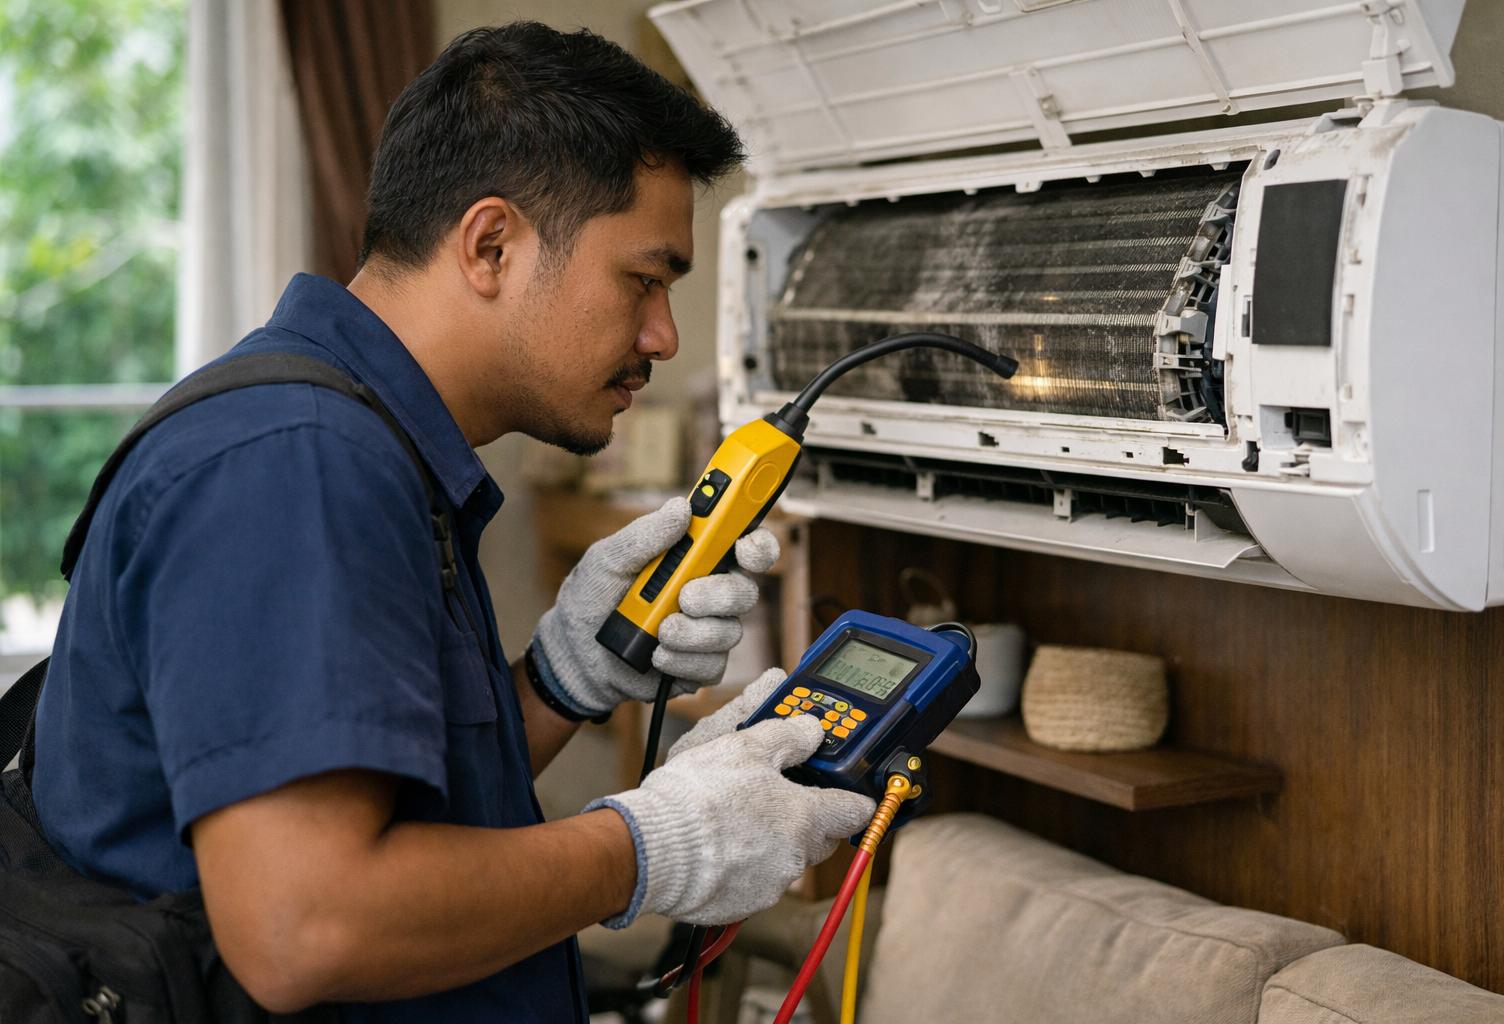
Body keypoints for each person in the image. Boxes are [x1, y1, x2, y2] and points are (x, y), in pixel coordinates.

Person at [28, 22, 875, 1023]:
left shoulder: (366, 445)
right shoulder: (301, 465)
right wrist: (654, 845)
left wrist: (567, 676)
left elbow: (399, 806)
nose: (663, 335)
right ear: (490, 245)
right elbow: (308, 924)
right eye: (644, 279)